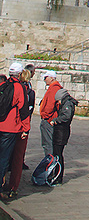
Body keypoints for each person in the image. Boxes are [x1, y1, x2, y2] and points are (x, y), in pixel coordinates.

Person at [4, 68, 35, 199]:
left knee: (5, 157)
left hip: (5, 126)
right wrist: (26, 128)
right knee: (16, 159)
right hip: (17, 127)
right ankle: (12, 187)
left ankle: (4, 183)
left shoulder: (5, 85)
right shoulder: (25, 90)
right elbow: (25, 111)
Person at [0, 63, 25, 198]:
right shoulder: (18, 88)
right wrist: (25, 128)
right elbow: (23, 109)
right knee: (4, 159)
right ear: (20, 74)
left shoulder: (3, 84)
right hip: (10, 128)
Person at [50, 89, 78, 186]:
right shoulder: (67, 102)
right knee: (57, 154)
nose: (58, 103)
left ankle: (58, 177)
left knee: (58, 154)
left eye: (58, 101)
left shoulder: (67, 104)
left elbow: (66, 116)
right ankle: (57, 175)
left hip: (62, 131)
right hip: (61, 131)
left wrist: (56, 120)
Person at [39, 70, 61, 156]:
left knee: (48, 144)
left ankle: (49, 163)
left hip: (48, 119)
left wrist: (45, 115)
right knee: (48, 143)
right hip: (50, 118)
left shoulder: (54, 88)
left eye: (46, 77)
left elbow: (50, 105)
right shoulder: (54, 88)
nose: (45, 80)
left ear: (51, 78)